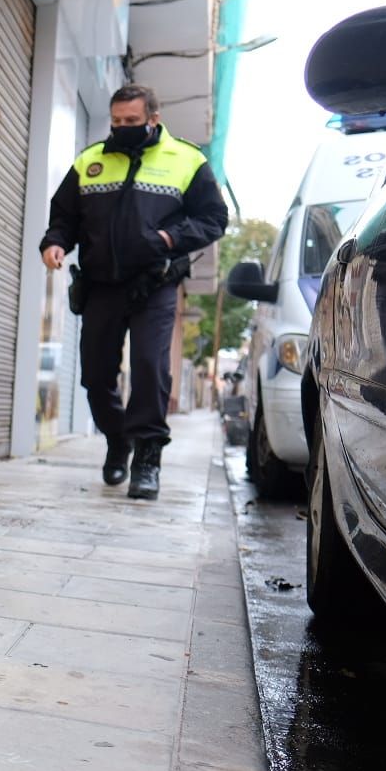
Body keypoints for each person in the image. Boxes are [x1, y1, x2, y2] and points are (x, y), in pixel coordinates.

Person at [39, 84, 228, 500]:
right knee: (95, 376)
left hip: (156, 283)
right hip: (102, 284)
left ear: (153, 119)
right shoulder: (90, 161)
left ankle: (147, 457)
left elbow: (214, 219)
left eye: (132, 122)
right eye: (117, 122)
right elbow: (65, 216)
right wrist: (54, 242)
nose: (122, 128)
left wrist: (168, 237)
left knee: (149, 366)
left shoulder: (186, 160)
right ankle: (117, 438)